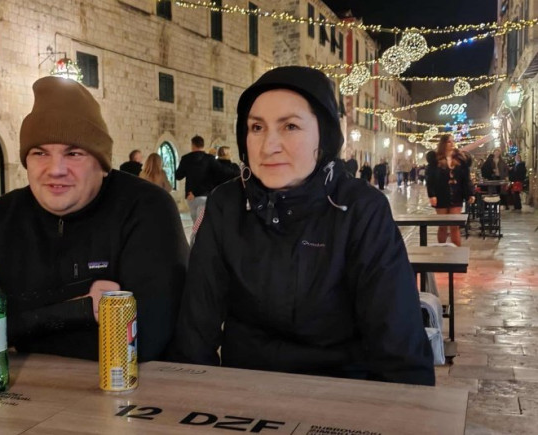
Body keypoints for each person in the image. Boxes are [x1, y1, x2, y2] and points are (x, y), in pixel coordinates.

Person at [170, 66, 434, 386]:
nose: (269, 146)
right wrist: (194, 397)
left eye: (290, 126)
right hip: (246, 389)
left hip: (344, 391)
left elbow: (400, 349)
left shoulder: (360, 209)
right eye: (257, 127)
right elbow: (196, 329)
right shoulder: (226, 205)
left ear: (323, 135)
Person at [0, 76, 189, 362]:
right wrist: (77, 307)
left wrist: (7, 327)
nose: (55, 169)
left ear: (102, 164)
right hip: (28, 387)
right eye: (40, 152)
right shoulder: (0, 219)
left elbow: (142, 338)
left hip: (134, 389)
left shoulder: (147, 208)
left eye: (74, 153)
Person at [425, 134, 474, 247]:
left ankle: (456, 252)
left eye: (453, 141)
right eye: (448, 142)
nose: (452, 144)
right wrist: (432, 195)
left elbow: (466, 178)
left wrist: (470, 193)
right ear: (443, 144)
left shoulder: (460, 159)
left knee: (454, 226)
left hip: (456, 195)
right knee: (442, 225)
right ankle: (442, 249)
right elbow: (430, 179)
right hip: (441, 195)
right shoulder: (435, 160)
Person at [176, 135, 224, 223]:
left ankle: (197, 232)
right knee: (202, 223)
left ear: (193, 145)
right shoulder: (210, 159)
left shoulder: (186, 158)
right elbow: (220, 174)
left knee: (196, 222)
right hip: (205, 195)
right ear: (203, 145)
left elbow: (178, 176)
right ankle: (199, 232)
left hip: (190, 196)